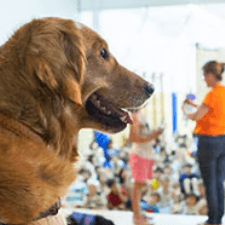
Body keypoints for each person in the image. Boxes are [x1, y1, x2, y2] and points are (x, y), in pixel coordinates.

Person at [182, 61, 225, 225]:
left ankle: (212, 220)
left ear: (211, 75)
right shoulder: (222, 92)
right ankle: (218, 218)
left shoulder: (213, 93)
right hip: (222, 139)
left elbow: (196, 116)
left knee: (210, 183)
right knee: (218, 182)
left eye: (205, 76)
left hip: (209, 142)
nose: (204, 80)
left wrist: (185, 110)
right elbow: (210, 112)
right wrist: (193, 105)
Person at [129, 109, 163, 225]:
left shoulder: (142, 115)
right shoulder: (135, 117)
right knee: (137, 185)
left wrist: (154, 133)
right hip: (139, 154)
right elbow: (132, 138)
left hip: (146, 155)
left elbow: (143, 134)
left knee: (141, 184)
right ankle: (136, 216)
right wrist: (153, 136)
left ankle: (138, 213)